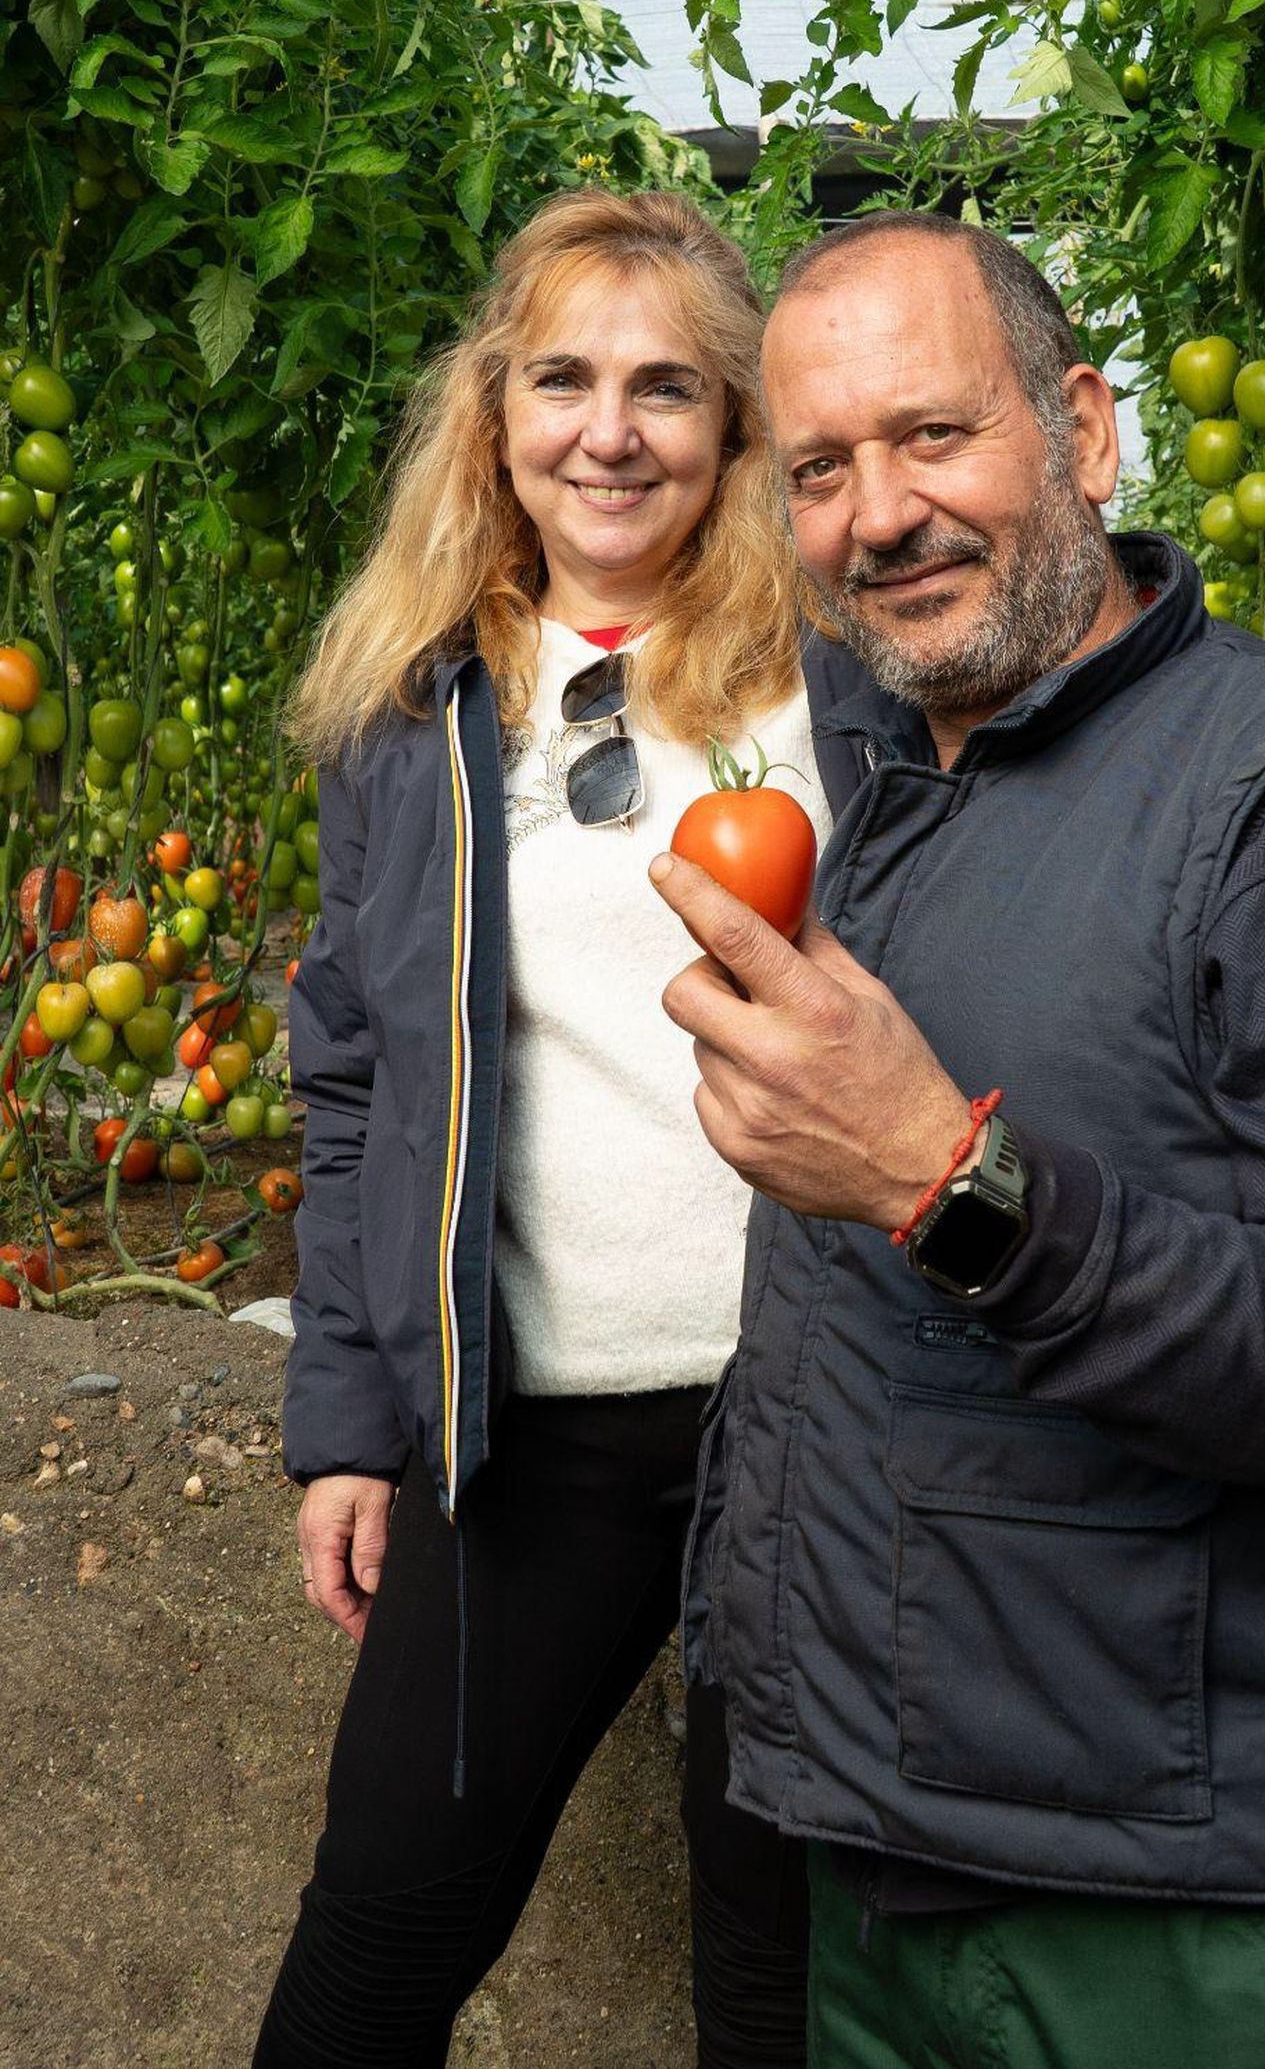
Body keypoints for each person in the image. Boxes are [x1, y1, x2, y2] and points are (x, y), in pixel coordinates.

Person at [649, 208, 1265, 2069]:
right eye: (820, 469)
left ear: (1086, 431)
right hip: (898, 1860)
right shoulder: (901, 803)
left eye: (934, 434)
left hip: (1199, 1929)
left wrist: (945, 1184)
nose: (879, 514)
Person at [254, 189, 860, 2069]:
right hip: (531, 1433)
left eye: (668, 386)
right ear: (495, 410)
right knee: (375, 1942)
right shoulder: (417, 707)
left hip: (814, 1421)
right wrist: (349, 1421)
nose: (612, 431)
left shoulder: (835, 677)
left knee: (777, 1975)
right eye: (565, 380)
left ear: (735, 425)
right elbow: (354, 1077)